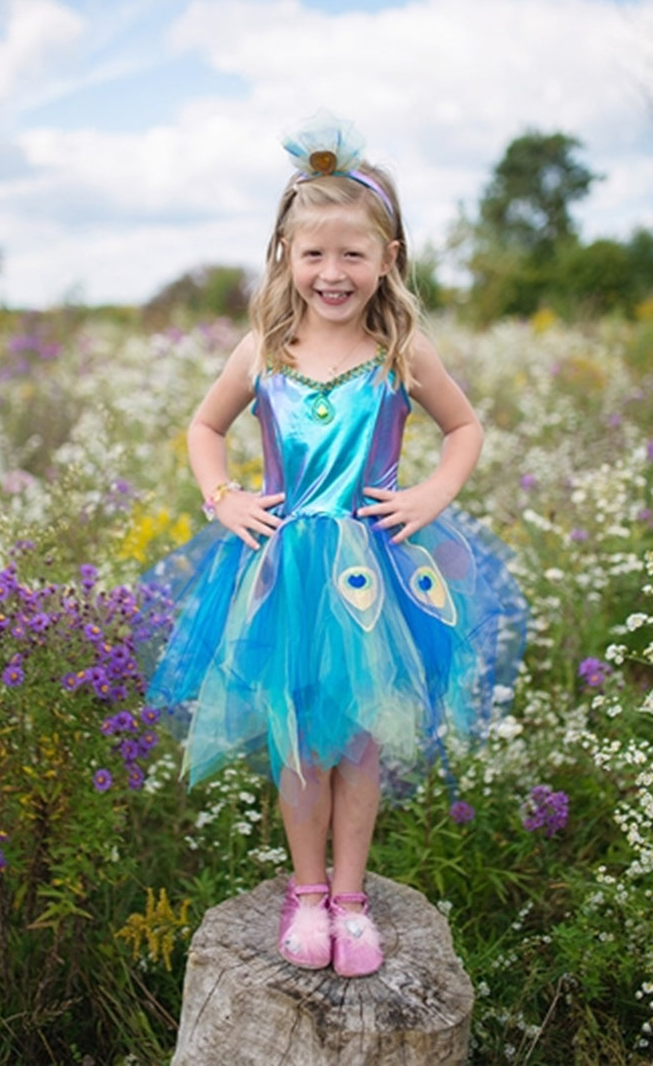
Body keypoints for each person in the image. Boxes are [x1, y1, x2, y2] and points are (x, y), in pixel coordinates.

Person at [143, 113, 527, 978]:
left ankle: (351, 898)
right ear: (284, 255)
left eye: (353, 254)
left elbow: (463, 428)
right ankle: (306, 891)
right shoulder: (265, 349)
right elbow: (205, 426)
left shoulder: (401, 349)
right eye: (312, 254)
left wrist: (430, 493)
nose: (332, 273)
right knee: (297, 736)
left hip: (374, 576)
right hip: (281, 570)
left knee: (360, 740)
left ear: (387, 257)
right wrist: (223, 495)